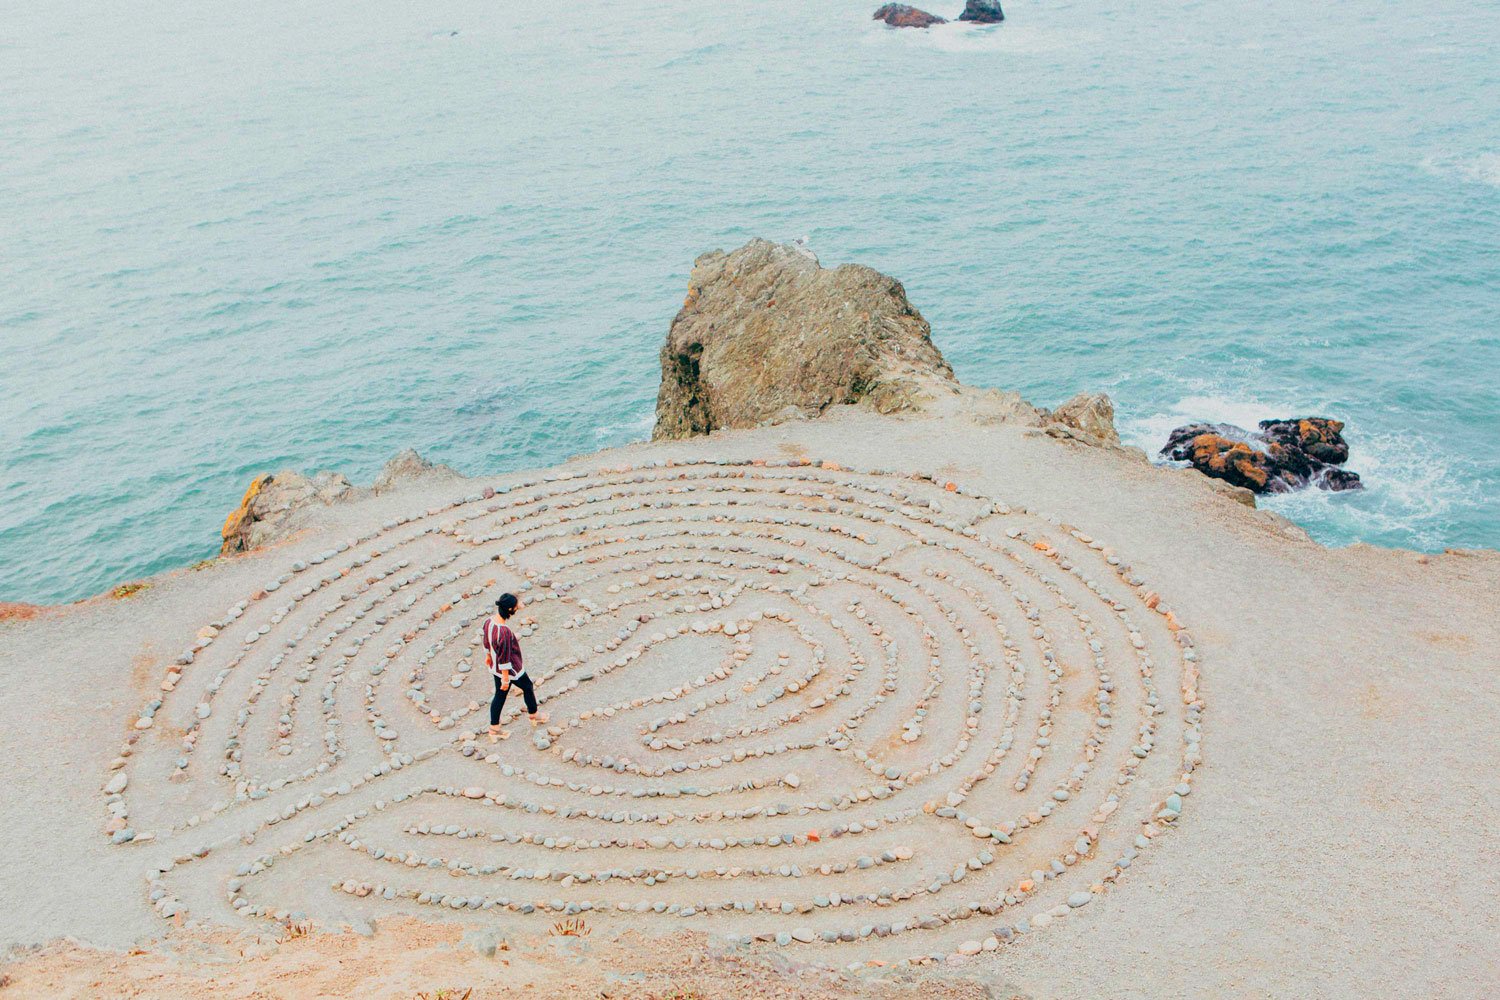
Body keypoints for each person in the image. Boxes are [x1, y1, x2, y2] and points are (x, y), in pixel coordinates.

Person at [480, 592, 546, 742]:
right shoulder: (504, 632)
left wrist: (488, 656)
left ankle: (494, 728)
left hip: (495, 666)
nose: (518, 608)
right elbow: (504, 655)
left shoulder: (488, 622)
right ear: (510, 609)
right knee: (527, 686)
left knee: (500, 695)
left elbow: (486, 640)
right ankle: (534, 715)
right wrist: (505, 677)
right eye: (516, 606)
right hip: (510, 669)